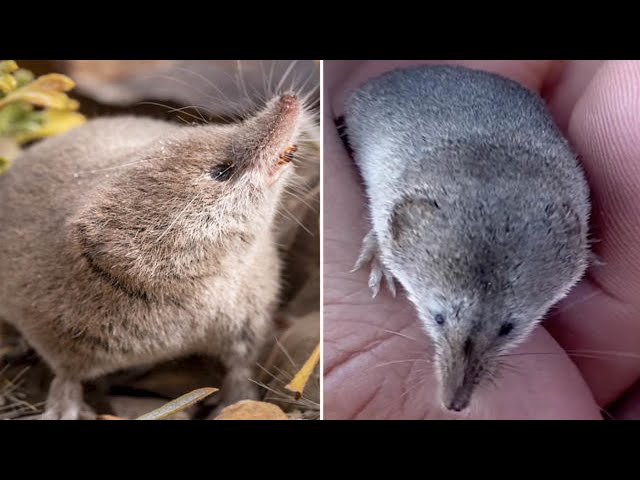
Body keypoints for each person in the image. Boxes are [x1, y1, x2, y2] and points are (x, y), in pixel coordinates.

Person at [323, 60, 640, 419]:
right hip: (401, 107)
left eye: (506, 329)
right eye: (440, 319)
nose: (458, 388)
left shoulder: (563, 239)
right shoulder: (407, 205)